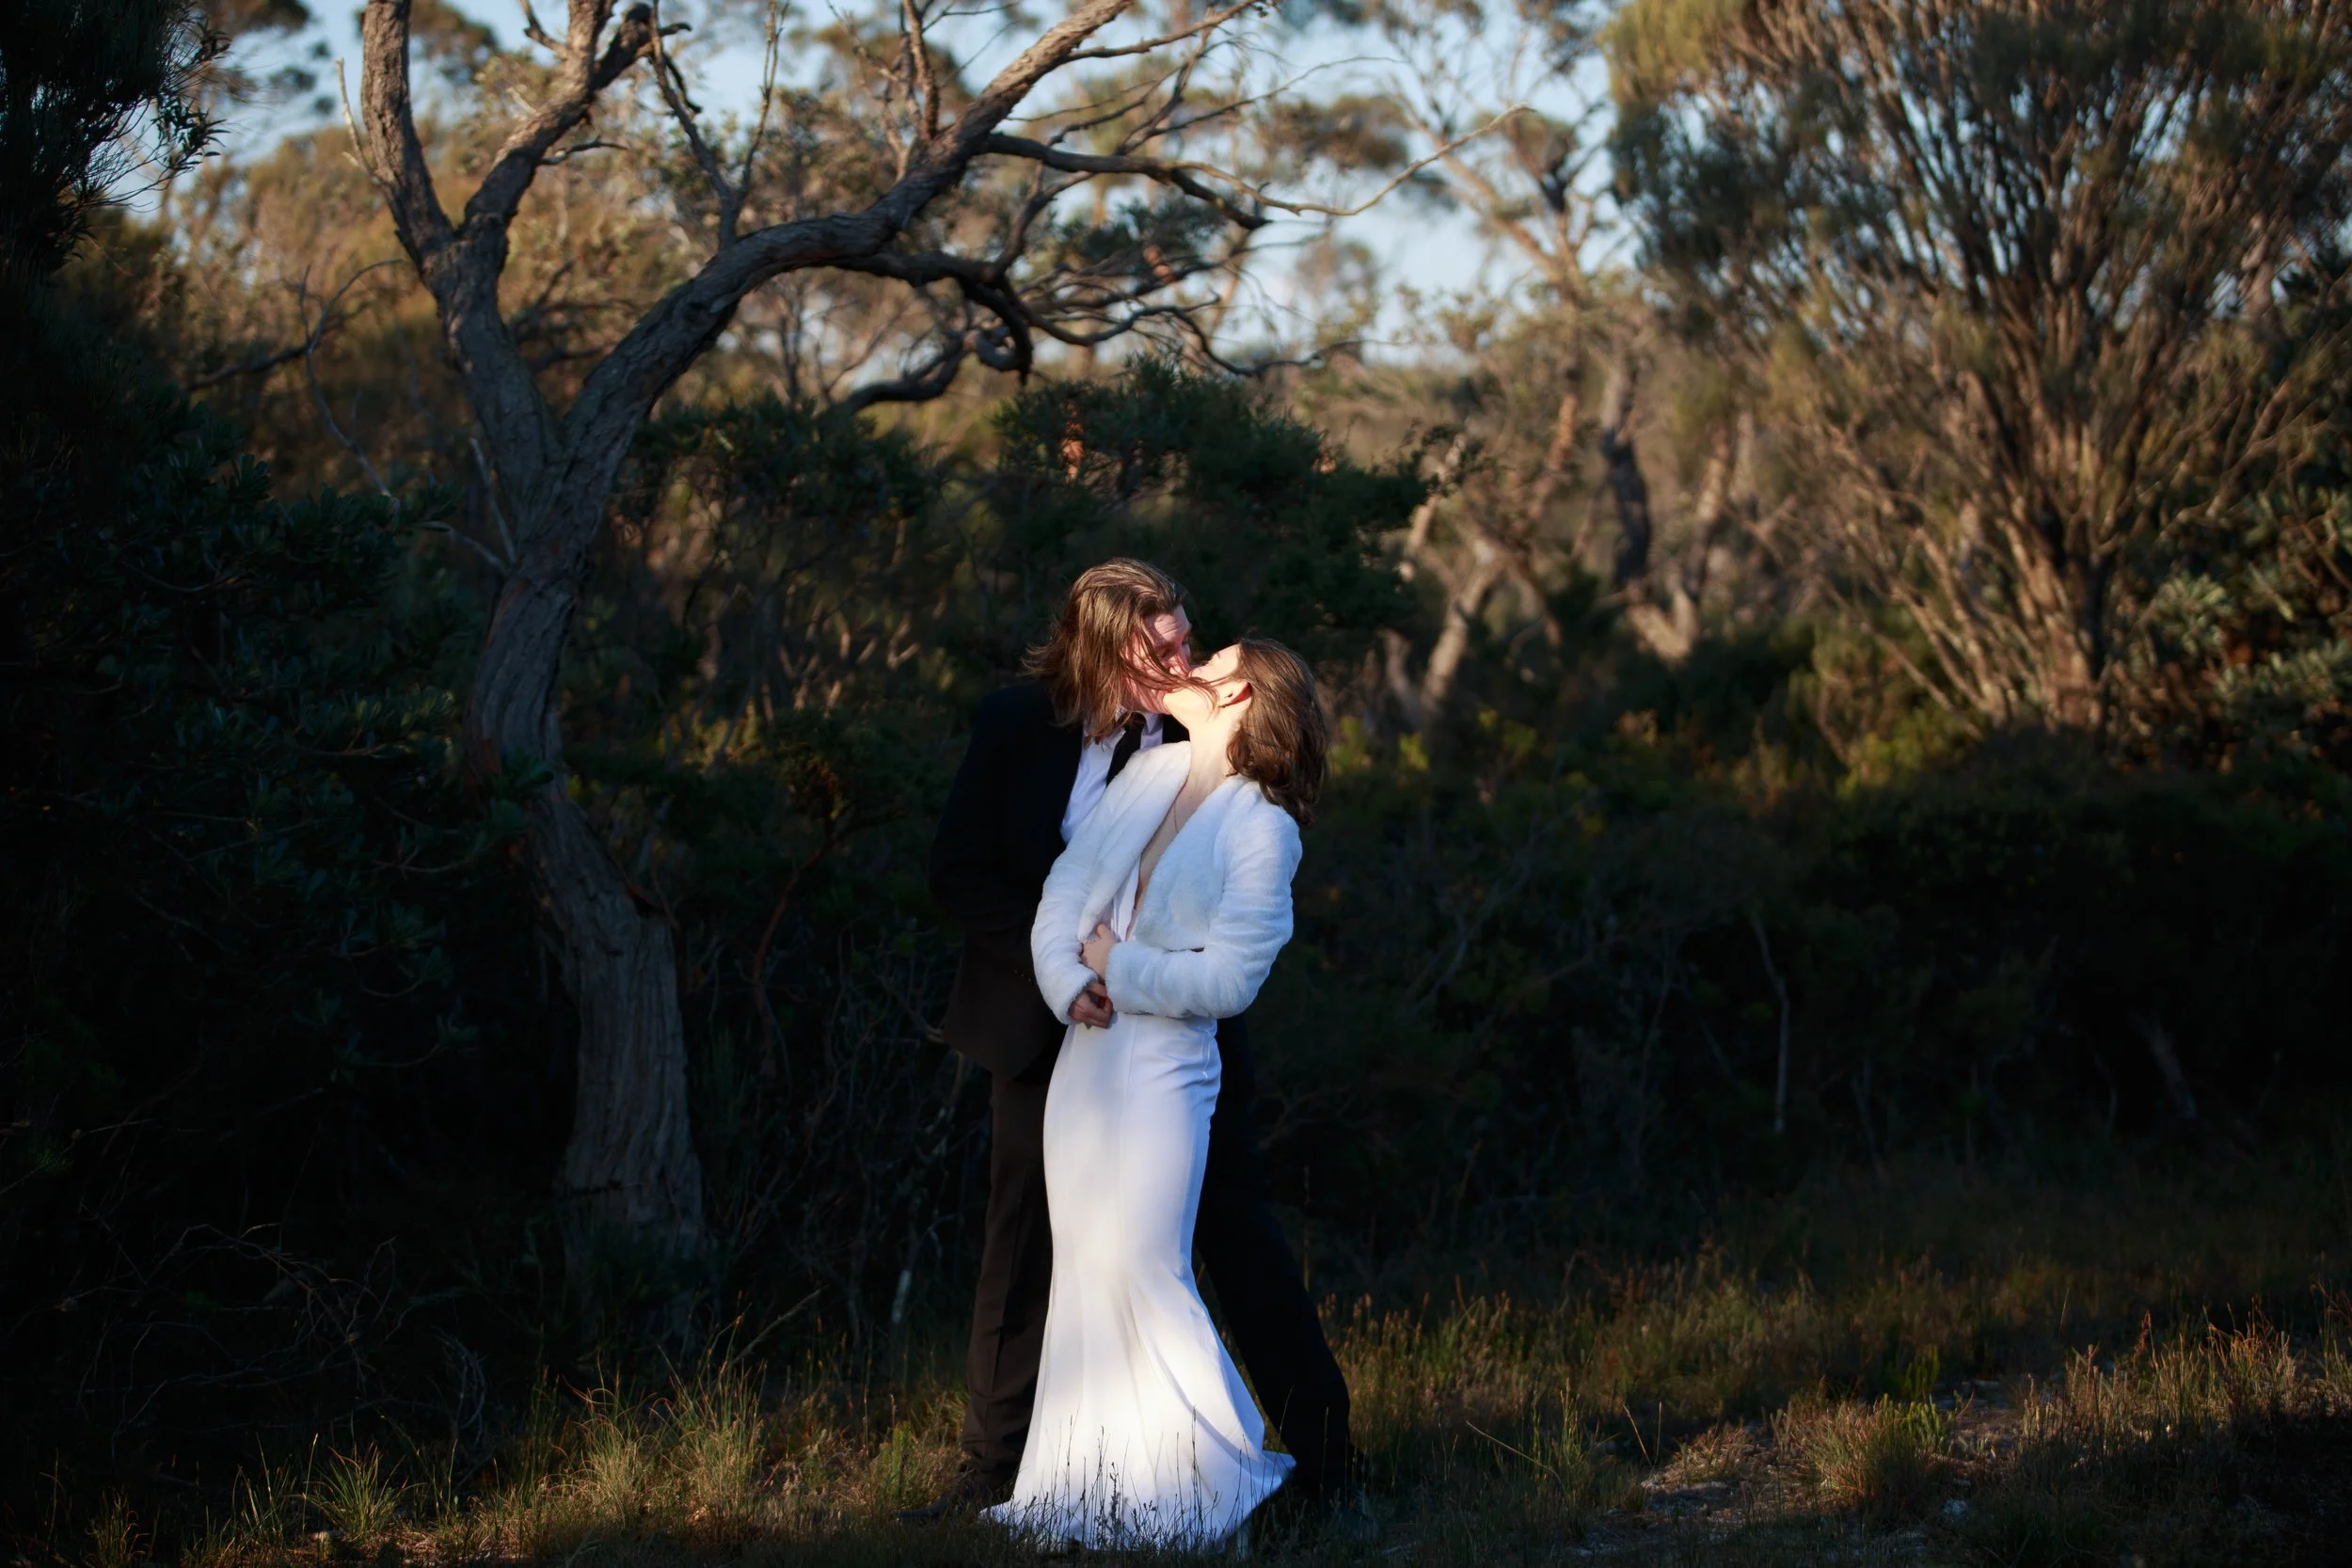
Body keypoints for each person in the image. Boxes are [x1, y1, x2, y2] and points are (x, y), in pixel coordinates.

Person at [912, 561, 1351, 1526]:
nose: (1181, 657)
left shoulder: (1185, 749)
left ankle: (1318, 1454)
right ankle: (1004, 1466)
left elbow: (1225, 931)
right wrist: (1068, 969)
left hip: (1177, 1041)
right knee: (1027, 1242)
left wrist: (1125, 969)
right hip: (1044, 1029)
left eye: (1190, 642)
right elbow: (960, 869)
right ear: (1108, 646)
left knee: (1231, 1235)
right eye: (1162, 647)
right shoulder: (1015, 723)